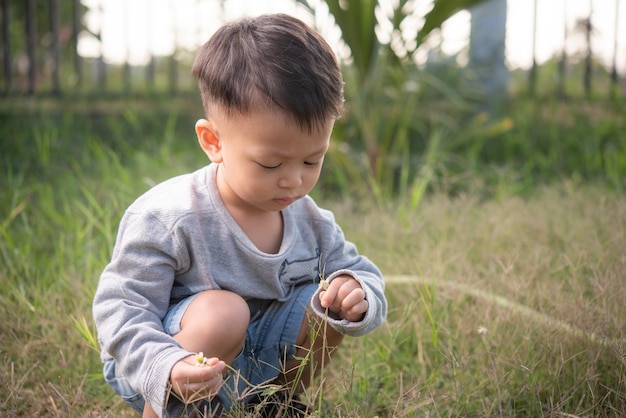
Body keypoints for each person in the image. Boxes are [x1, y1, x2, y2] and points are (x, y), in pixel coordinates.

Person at [93, 13, 387, 417]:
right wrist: (167, 366)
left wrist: (357, 293)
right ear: (213, 141)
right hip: (169, 363)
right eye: (271, 164)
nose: (293, 182)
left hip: (256, 360)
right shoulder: (171, 217)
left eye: (311, 160)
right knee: (224, 314)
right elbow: (121, 307)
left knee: (325, 302)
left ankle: (273, 404)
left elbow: (362, 272)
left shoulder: (310, 221)